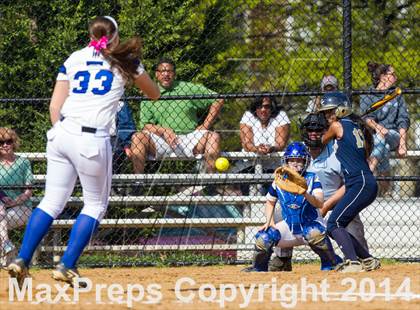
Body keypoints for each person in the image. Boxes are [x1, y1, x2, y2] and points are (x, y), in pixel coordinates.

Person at [7, 16, 160, 287]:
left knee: (51, 202)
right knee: (95, 204)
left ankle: (22, 259)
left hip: (61, 133)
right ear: (114, 35)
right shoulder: (126, 62)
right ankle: (67, 265)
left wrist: (64, 135)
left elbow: (55, 105)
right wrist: (132, 66)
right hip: (91, 137)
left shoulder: (74, 58)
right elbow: (154, 94)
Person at [243, 142, 341, 272]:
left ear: (306, 161)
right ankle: (259, 268)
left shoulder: (312, 178)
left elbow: (319, 203)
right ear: (286, 162)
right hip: (290, 227)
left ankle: (331, 262)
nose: (295, 163)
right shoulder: (280, 180)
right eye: (291, 160)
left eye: (299, 160)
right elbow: (270, 201)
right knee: (264, 237)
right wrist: (269, 222)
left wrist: (305, 193)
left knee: (314, 233)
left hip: (310, 225)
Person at [319, 92, 381, 272]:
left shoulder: (338, 126)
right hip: (360, 183)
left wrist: (314, 138)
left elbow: (322, 140)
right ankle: (367, 259)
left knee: (333, 224)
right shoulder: (356, 126)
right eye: (325, 113)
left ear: (341, 109)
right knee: (337, 225)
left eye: (330, 111)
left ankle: (353, 262)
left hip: (360, 182)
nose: (327, 116)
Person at [130, 57, 224, 174]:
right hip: (162, 140)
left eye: (169, 71)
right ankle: (138, 183)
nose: (166, 74)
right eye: (162, 71)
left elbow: (218, 98)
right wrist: (163, 130)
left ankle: (210, 183)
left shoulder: (187, 88)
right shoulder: (150, 91)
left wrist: (205, 125)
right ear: (157, 74)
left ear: (174, 74)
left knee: (213, 137)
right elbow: (145, 126)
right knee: (137, 137)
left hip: (190, 138)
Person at [360, 62, 410, 196]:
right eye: (393, 74)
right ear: (383, 76)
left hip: (394, 135)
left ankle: (368, 173)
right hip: (375, 137)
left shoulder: (396, 94)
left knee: (382, 138)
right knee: (382, 143)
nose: (396, 78)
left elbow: (403, 120)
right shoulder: (367, 94)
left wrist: (403, 144)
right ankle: (385, 189)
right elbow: (365, 117)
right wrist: (378, 128)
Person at [239, 96, 290, 194]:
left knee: (273, 197)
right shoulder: (248, 115)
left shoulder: (281, 115)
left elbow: (281, 143)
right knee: (249, 197)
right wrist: (257, 148)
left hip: (274, 166)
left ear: (272, 107)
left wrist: (272, 148)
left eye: (267, 106)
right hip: (250, 165)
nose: (263, 110)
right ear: (255, 107)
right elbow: (247, 144)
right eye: (259, 106)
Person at [0, 128, 33, 266]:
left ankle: (7, 250)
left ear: (13, 143)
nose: (5, 145)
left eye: (8, 141)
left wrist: (16, 201)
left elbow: (28, 190)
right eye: (1, 142)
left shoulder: (23, 162)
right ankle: (7, 248)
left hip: (21, 207)